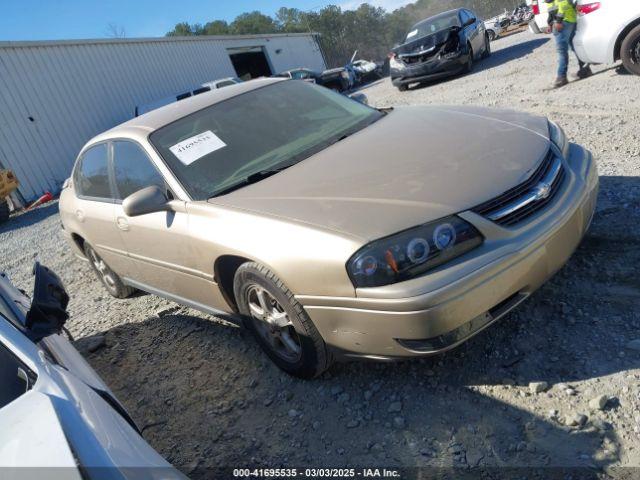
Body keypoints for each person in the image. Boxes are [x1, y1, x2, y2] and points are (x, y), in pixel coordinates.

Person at [546, 0, 592, 88]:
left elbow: (564, 4)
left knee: (562, 51)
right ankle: (585, 69)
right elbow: (552, 10)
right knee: (575, 47)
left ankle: (561, 77)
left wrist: (558, 21)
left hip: (564, 22)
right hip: (569, 20)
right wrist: (550, 23)